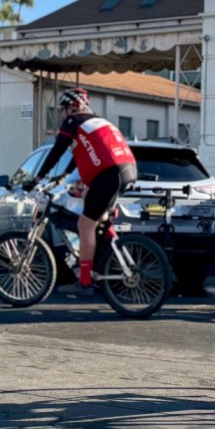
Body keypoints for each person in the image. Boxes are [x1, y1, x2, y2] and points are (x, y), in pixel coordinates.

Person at [29, 88, 138, 292]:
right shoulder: (98, 122)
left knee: (85, 223)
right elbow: (77, 156)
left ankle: (85, 278)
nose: (62, 115)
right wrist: (63, 175)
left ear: (73, 106)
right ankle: (109, 245)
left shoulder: (74, 121)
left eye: (62, 109)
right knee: (94, 209)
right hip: (128, 170)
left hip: (109, 174)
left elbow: (58, 149)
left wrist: (38, 177)